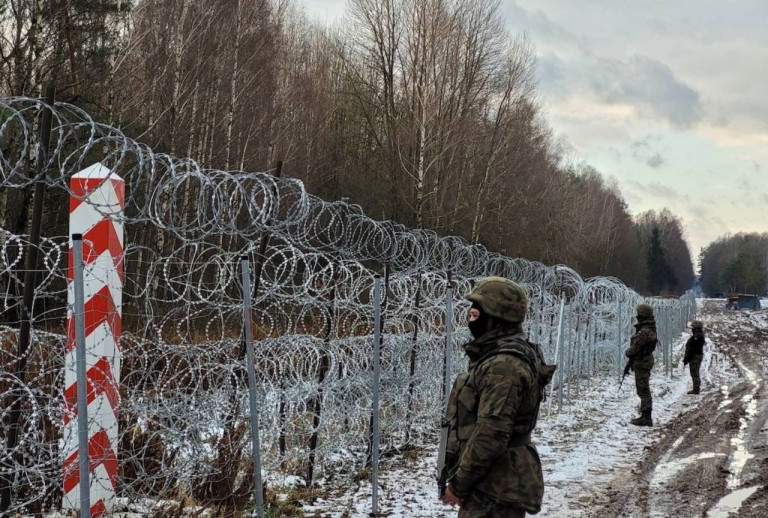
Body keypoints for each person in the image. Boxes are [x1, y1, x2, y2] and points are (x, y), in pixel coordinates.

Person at [441, 277, 555, 517]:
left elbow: (492, 434)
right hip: (492, 482)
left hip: (497, 488)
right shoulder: (496, 357)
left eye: (475, 315)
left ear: (495, 317)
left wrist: (458, 484)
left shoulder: (504, 366)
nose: (470, 320)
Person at [624, 303, 657, 427]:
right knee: (643, 389)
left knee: (643, 390)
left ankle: (646, 417)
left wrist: (628, 352)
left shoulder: (645, 331)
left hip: (642, 362)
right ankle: (645, 415)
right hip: (644, 361)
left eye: (639, 315)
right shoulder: (649, 328)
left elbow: (635, 348)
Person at [683, 320, 706, 394]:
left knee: (694, 373)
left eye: (693, 328)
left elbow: (692, 349)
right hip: (696, 356)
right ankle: (696, 387)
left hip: (695, 357)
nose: (692, 330)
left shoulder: (697, 337)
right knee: (695, 372)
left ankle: (696, 389)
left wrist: (686, 358)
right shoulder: (698, 336)